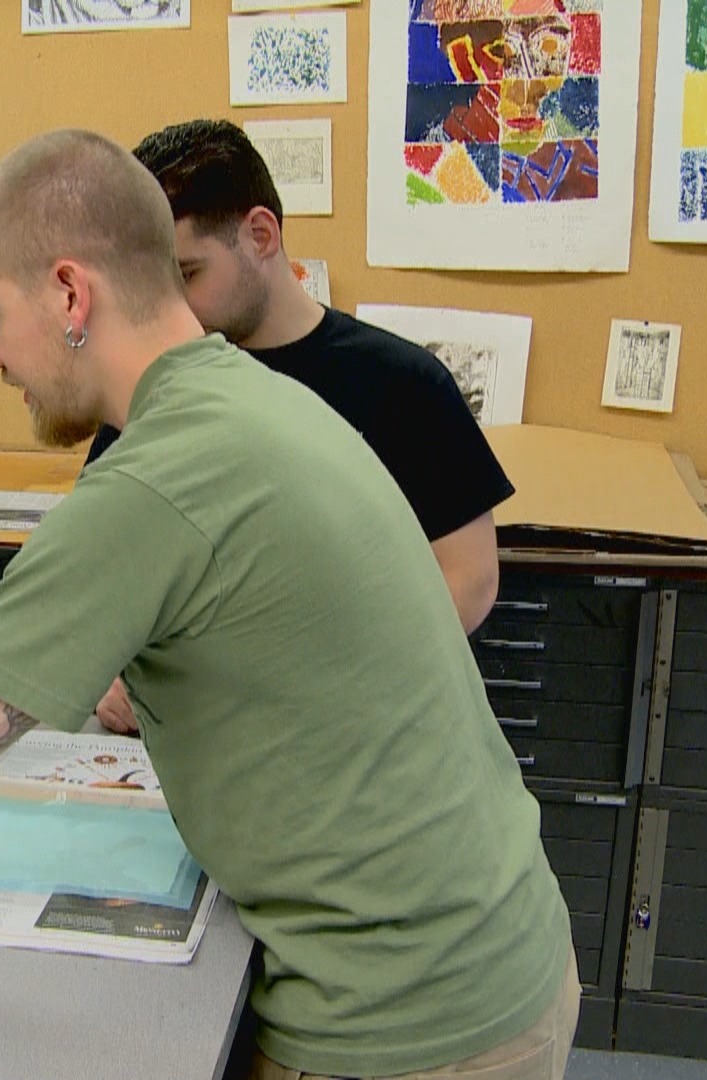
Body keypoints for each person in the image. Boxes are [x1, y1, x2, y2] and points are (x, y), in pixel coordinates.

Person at [0, 130, 576, 1080]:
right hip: (504, 951)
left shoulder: (149, 485)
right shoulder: (261, 398)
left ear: (68, 294)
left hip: (406, 1025)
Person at [86, 118, 514, 734]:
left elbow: (468, 582)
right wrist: (115, 672)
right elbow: (104, 568)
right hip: (191, 742)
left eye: (187, 276)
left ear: (260, 235)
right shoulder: (151, 388)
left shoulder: (402, 383)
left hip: (353, 734)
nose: (169, 310)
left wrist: (300, 685)